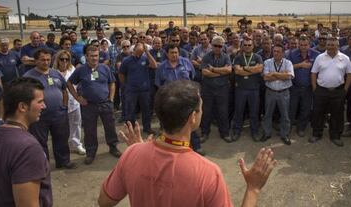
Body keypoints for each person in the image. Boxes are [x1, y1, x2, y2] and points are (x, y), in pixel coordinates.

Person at [97, 80, 277, 207]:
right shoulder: (207, 173)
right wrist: (253, 188)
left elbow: (104, 201)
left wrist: (138, 152)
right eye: (200, 107)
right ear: (193, 117)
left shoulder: (131, 154)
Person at [0, 77, 52, 207]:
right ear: (22, 107)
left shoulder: (0, 134)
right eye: (40, 101)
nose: (44, 106)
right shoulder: (28, 148)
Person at [67, 45, 121, 165]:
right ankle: (91, 153)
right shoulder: (81, 70)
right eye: (91, 56)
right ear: (86, 57)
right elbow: (69, 83)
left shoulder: (105, 68)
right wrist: (78, 98)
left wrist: (111, 99)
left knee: (110, 127)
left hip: (105, 104)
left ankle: (113, 147)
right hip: (88, 105)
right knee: (89, 130)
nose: (94, 58)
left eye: (96, 56)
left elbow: (112, 83)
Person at [24, 48, 77, 169]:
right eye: (43, 60)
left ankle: (63, 161)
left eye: (48, 59)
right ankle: (43, 165)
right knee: (40, 142)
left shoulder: (55, 73)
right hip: (39, 116)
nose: (46, 62)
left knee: (61, 139)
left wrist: (64, 106)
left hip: (59, 114)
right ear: (36, 60)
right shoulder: (28, 77)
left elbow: (64, 89)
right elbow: (24, 96)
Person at [309, 37, 351, 147]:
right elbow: (314, 73)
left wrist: (345, 89)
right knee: (318, 113)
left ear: (338, 46)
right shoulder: (320, 57)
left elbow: (349, 75)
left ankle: (335, 136)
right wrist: (315, 88)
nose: (330, 47)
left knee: (337, 114)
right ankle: (316, 134)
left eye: (333, 45)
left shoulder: (345, 58)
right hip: (321, 90)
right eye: (328, 45)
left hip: (338, 91)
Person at [200, 36, 233, 143]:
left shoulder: (226, 57)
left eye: (220, 46)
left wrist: (213, 70)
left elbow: (229, 70)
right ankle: (205, 133)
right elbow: (205, 72)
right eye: (215, 46)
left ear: (223, 46)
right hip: (208, 88)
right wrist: (221, 73)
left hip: (222, 89)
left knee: (223, 112)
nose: (217, 48)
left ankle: (225, 133)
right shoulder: (206, 57)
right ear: (212, 45)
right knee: (206, 111)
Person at [53, 50, 86, 155]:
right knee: (61, 128)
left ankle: (76, 144)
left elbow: (79, 84)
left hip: (74, 102)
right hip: (59, 104)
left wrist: (79, 96)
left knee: (76, 124)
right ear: (57, 60)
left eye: (67, 59)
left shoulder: (72, 70)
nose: (64, 61)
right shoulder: (52, 72)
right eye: (62, 59)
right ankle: (63, 147)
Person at [119, 43, 157, 134]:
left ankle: (147, 128)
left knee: (146, 110)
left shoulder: (145, 58)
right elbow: (121, 74)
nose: (140, 53)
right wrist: (126, 85)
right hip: (131, 90)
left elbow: (154, 65)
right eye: (139, 51)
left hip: (144, 90)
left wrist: (147, 52)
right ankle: (131, 129)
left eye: (142, 51)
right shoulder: (126, 60)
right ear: (134, 49)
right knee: (130, 111)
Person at [261, 44, 294, 145]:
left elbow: (290, 76)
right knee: (268, 114)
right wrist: (281, 75)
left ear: (283, 53)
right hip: (270, 92)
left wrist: (273, 74)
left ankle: (285, 135)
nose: (276, 53)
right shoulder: (267, 62)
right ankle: (267, 133)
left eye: (278, 51)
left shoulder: (288, 63)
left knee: (285, 115)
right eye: (274, 51)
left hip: (284, 93)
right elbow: (265, 78)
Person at [287, 36, 320, 137]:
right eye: (301, 45)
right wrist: (300, 65)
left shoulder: (316, 55)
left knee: (305, 109)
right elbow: (287, 67)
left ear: (309, 45)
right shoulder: (291, 54)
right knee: (291, 108)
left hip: (308, 88)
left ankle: (301, 128)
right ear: (298, 45)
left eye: (305, 45)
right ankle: (288, 128)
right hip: (294, 87)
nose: (303, 47)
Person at [233, 39, 264, 142]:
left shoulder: (257, 57)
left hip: (254, 89)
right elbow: (237, 71)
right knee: (239, 111)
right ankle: (236, 131)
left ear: (252, 46)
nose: (247, 46)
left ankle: (254, 132)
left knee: (254, 112)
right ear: (242, 46)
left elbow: (260, 69)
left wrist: (244, 69)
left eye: (249, 45)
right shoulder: (238, 57)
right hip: (241, 89)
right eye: (245, 45)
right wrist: (252, 69)